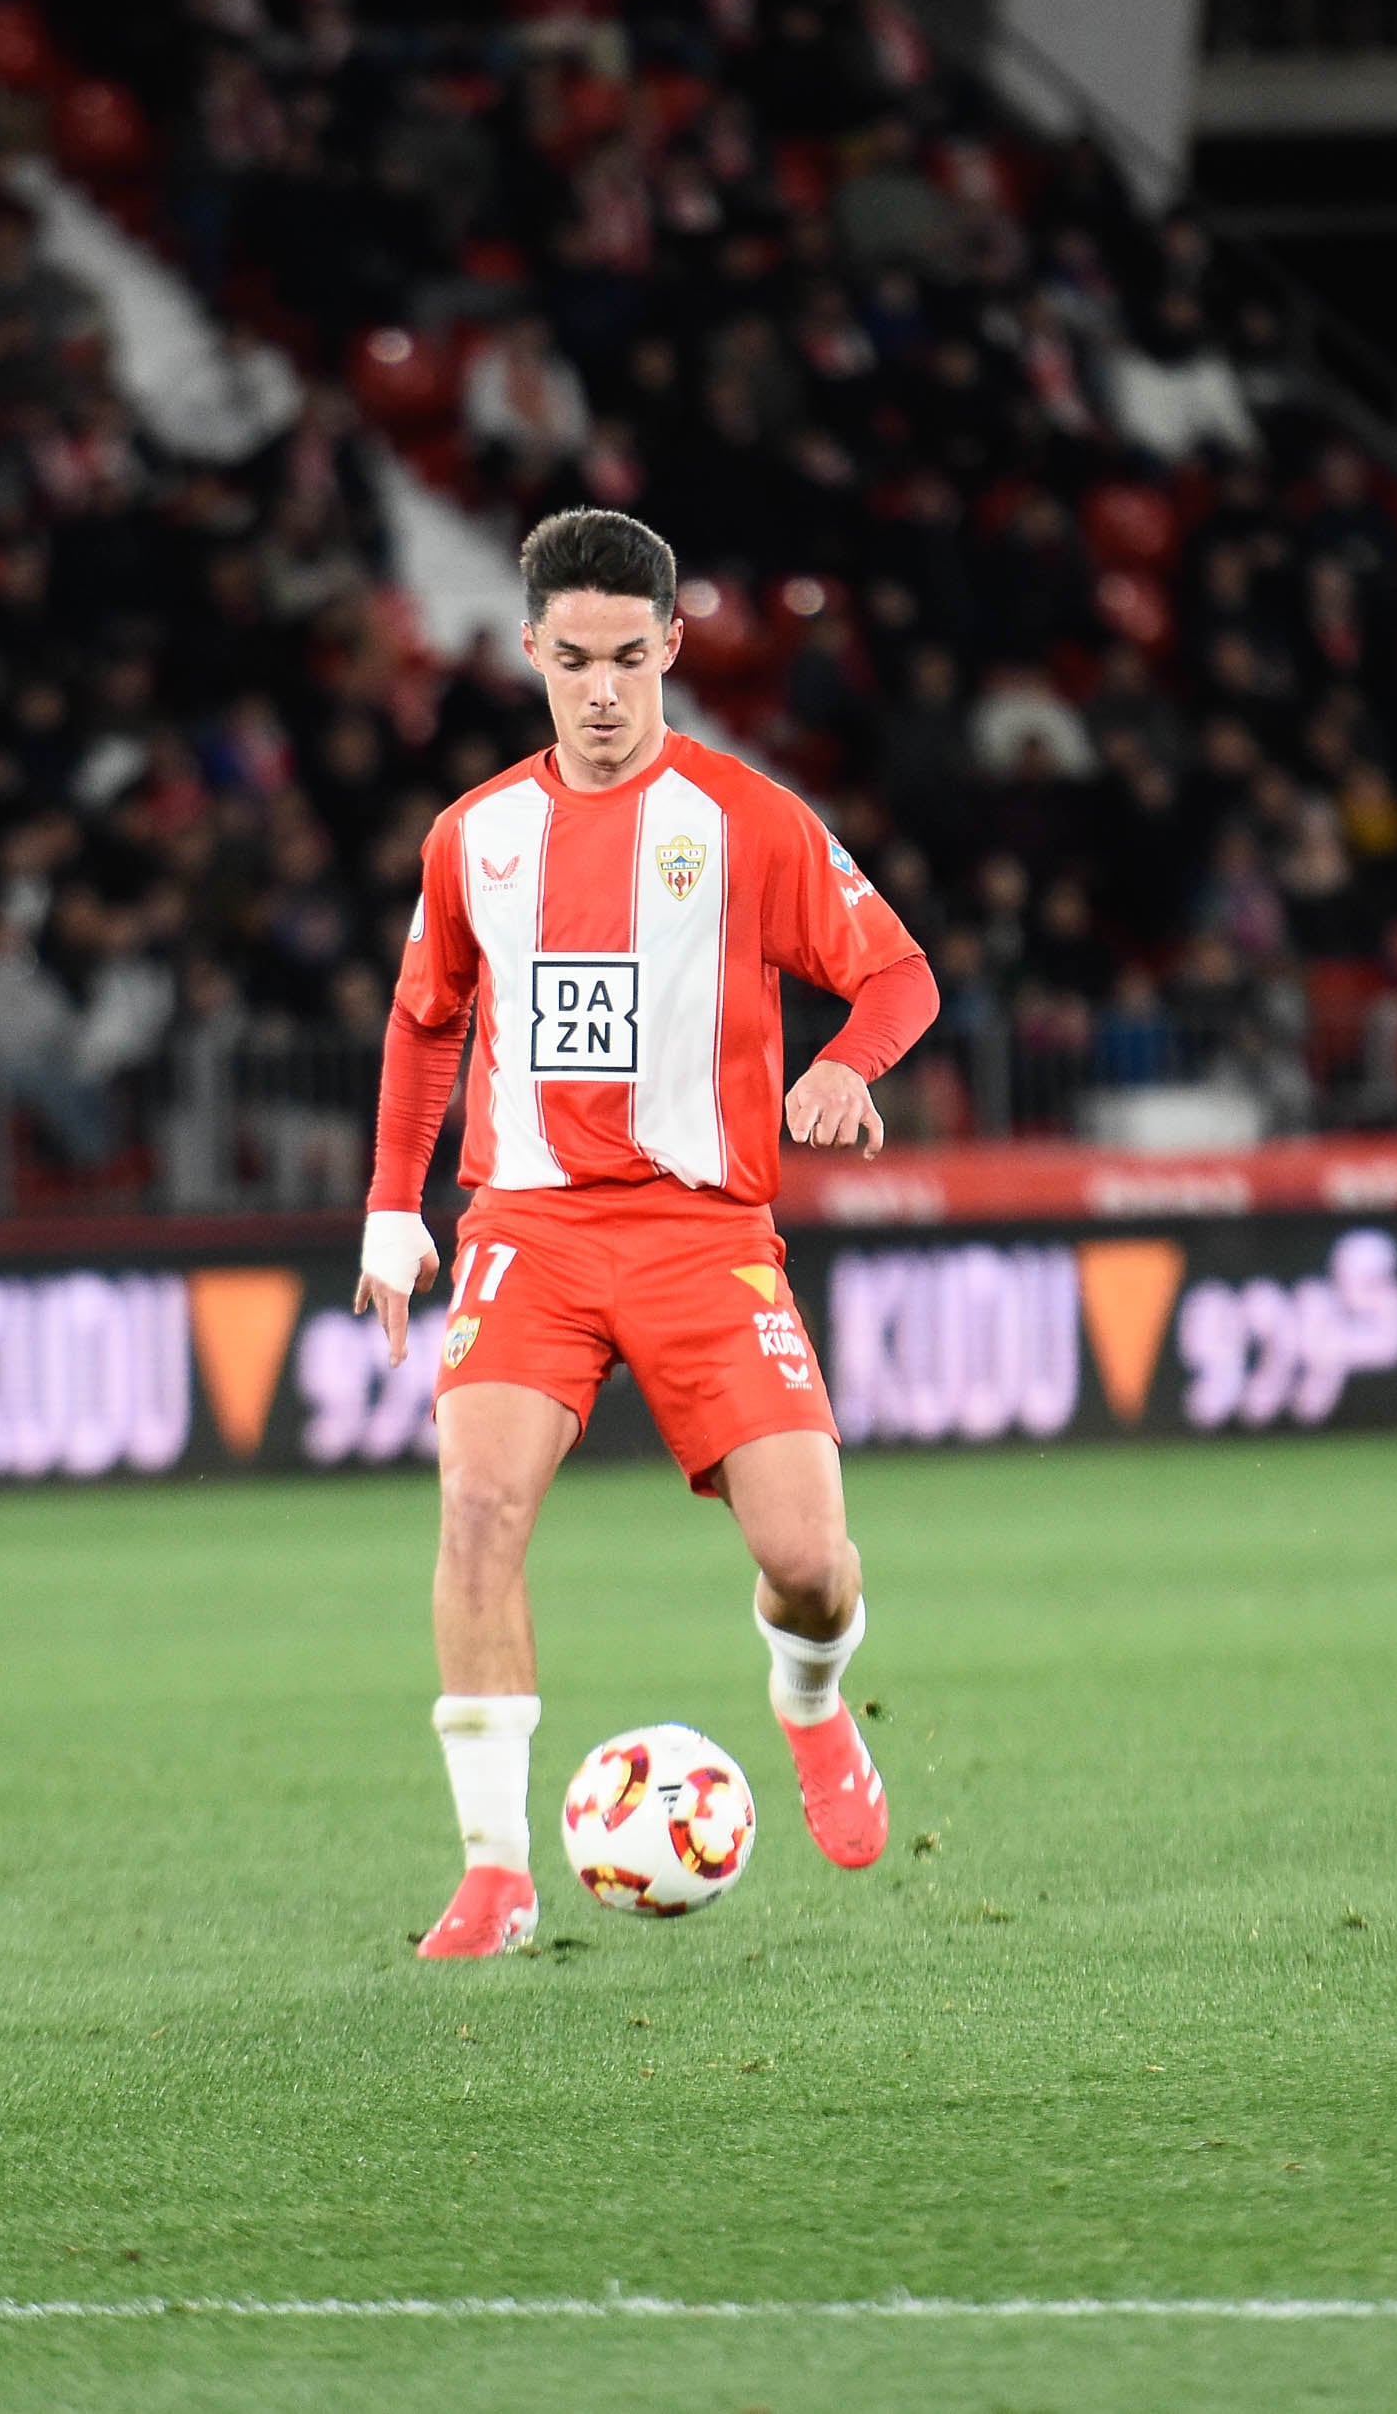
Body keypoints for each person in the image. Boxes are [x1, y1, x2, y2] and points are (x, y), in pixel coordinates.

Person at [353, 509, 940, 1960]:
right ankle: (494, 1869)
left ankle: (809, 1708)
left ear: (673, 645)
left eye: (630, 657)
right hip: (528, 1227)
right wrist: (390, 1208)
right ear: (529, 652)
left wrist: (846, 1064)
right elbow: (426, 1019)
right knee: (478, 1511)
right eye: (573, 660)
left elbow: (902, 976)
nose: (603, 690)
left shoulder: (745, 820)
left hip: (701, 1232)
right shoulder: (474, 837)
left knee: (809, 1559)